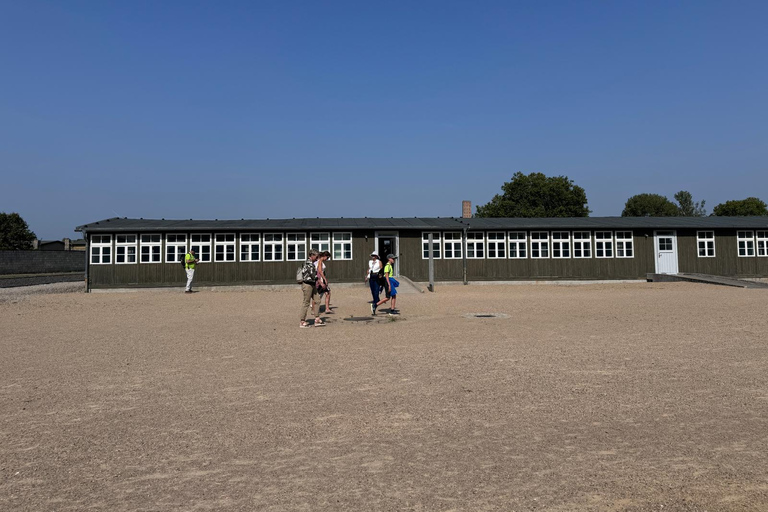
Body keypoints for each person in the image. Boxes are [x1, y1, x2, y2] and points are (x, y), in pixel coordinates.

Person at [299, 249, 325, 328]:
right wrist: (321, 282)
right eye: (316, 257)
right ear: (312, 256)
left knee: (317, 300)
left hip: (312, 284)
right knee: (306, 302)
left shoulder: (311, 263)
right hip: (307, 285)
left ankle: (317, 318)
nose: (317, 258)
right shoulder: (309, 263)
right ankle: (302, 321)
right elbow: (313, 275)